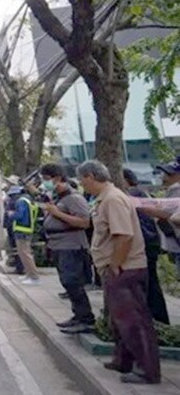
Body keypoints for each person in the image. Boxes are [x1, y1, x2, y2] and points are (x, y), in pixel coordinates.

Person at [78, 160, 160, 385]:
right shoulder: (105, 199)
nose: (81, 184)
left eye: (82, 180)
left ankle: (147, 370)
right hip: (118, 268)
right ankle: (123, 359)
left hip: (126, 268)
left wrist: (115, 265)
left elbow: (123, 235)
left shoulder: (113, 199)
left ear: (91, 177)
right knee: (119, 320)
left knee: (133, 321)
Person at [40, 163, 96, 333]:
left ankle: (86, 319)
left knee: (73, 282)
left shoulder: (74, 198)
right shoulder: (60, 198)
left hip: (71, 246)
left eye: (46, 179)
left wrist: (57, 213)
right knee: (67, 282)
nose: (44, 183)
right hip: (59, 246)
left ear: (57, 178)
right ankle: (78, 315)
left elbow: (84, 222)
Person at [123, 168, 169, 324]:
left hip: (144, 243)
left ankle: (157, 320)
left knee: (149, 285)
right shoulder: (140, 193)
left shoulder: (133, 195)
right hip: (149, 243)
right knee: (150, 284)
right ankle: (158, 319)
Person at [11, 185, 40, 284]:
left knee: (25, 254)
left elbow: (19, 215)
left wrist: (11, 215)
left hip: (22, 230)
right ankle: (29, 275)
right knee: (24, 254)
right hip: (27, 230)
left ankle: (34, 277)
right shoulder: (29, 200)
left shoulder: (21, 202)